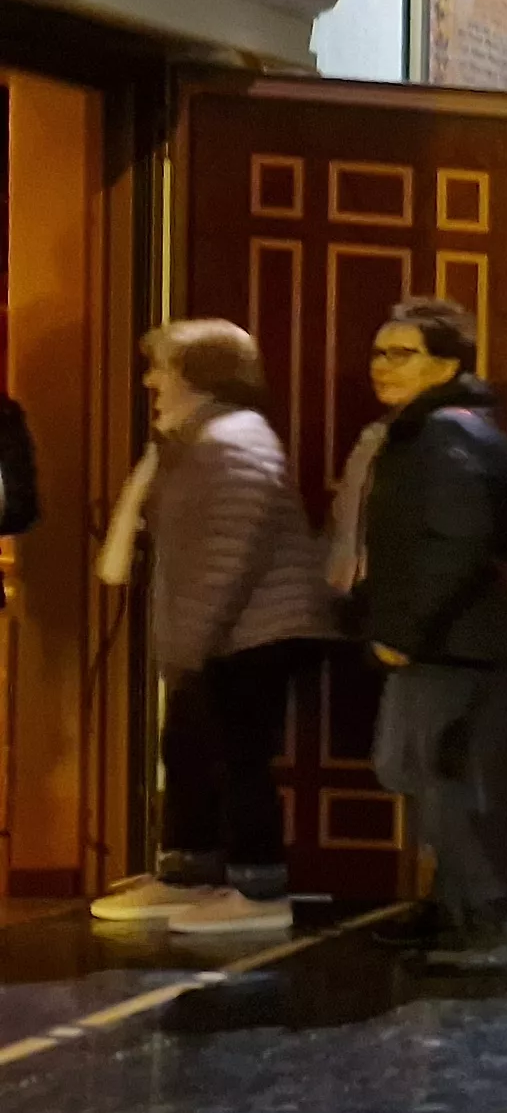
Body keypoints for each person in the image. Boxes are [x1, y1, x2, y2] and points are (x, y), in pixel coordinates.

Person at [90, 321, 337, 934]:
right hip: (229, 632)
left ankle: (258, 890)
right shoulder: (198, 440)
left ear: (199, 376)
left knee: (237, 756)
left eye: (163, 369)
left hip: (254, 632)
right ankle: (188, 874)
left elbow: (226, 561)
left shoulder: (231, 441)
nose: (151, 381)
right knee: (192, 748)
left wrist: (186, 650)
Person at [332, 296, 507, 963]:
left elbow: (455, 542)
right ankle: (454, 904)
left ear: (445, 364)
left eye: (402, 354)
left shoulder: (442, 433)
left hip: (448, 643)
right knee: (428, 769)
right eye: (378, 352)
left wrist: (405, 631)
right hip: (452, 640)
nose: (381, 366)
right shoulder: (437, 428)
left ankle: (470, 907)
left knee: (419, 767)